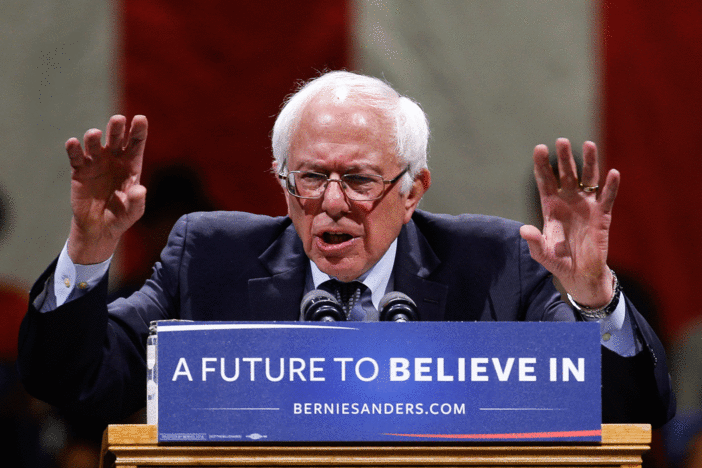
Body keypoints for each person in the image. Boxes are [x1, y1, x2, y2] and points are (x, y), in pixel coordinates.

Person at [18, 71, 674, 429]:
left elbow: (629, 411)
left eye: (358, 179)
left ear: (414, 188)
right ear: (282, 181)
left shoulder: (495, 263)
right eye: (309, 178)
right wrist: (88, 249)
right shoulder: (208, 257)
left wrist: (593, 298)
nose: (331, 202)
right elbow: (73, 380)